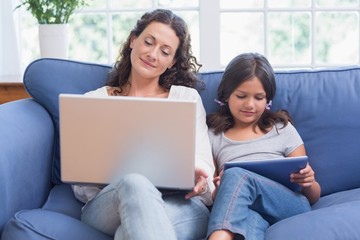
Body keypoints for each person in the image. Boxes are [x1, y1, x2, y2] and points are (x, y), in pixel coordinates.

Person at [71, 9, 215, 240]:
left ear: (172, 62)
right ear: (132, 41)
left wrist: (197, 173)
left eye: (165, 51)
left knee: (129, 232)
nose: (153, 54)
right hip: (109, 206)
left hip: (180, 205)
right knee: (134, 183)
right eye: (148, 42)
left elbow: (205, 170)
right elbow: (80, 189)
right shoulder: (95, 100)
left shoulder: (186, 99)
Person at [206, 53, 321, 240]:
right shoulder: (213, 134)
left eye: (259, 98)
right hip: (244, 209)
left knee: (236, 175)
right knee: (249, 222)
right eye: (241, 96)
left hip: (289, 205)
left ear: (267, 99)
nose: (250, 105)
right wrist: (219, 190)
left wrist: (309, 182)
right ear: (227, 95)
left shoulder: (281, 128)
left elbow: (313, 196)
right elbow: (212, 194)